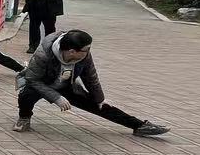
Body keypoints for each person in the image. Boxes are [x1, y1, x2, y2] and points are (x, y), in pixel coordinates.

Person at [12, 29, 168, 137]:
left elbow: (91, 77)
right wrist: (56, 98)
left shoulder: (84, 55)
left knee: (99, 104)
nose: (88, 52)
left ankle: (139, 126)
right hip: (41, 84)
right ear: (72, 51)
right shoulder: (43, 54)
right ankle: (24, 118)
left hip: (66, 86)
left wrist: (99, 98)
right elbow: (33, 79)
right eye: (85, 49)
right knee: (26, 94)